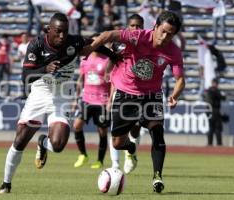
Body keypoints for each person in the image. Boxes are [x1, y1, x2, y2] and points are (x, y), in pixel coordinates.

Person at [0, 12, 117, 194]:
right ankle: (6, 184)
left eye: (65, 32)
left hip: (62, 97)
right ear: (49, 30)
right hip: (40, 93)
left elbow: (93, 43)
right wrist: (45, 69)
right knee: (20, 140)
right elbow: (25, 77)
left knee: (58, 145)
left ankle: (44, 143)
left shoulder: (73, 41)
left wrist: (114, 56)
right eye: (58, 31)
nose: (62, 36)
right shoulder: (36, 45)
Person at [89, 11, 185, 193]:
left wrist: (175, 95)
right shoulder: (138, 36)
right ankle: (131, 147)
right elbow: (108, 35)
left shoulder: (173, 51)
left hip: (152, 95)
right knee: (117, 143)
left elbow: (180, 80)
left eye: (170, 34)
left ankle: (157, 176)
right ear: (155, 26)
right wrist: (90, 47)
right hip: (126, 93)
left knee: (157, 131)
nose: (165, 37)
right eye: (163, 31)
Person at [107, 14, 144, 174]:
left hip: (141, 93)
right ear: (128, 27)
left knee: (135, 128)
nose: (135, 29)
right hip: (120, 92)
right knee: (115, 131)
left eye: (138, 26)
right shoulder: (117, 44)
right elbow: (110, 70)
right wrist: (110, 97)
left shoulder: (148, 43)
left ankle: (131, 152)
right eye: (133, 26)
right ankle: (115, 164)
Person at [72, 34, 111, 169]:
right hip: (87, 99)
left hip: (102, 101)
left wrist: (110, 100)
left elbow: (112, 82)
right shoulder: (85, 60)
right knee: (77, 126)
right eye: (92, 42)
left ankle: (100, 160)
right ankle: (83, 154)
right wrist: (75, 100)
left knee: (102, 131)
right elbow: (80, 80)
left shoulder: (106, 60)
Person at [204, 78, 226, 146]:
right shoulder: (215, 91)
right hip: (215, 111)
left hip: (209, 111)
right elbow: (223, 98)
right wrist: (223, 95)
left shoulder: (208, 91)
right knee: (217, 128)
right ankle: (219, 144)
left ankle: (209, 143)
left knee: (211, 128)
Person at [0, 34, 13, 99]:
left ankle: (6, 94)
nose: (4, 40)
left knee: (6, 79)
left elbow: (9, 55)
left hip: (5, 63)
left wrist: (10, 65)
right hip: (0, 62)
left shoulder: (8, 45)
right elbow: (0, 52)